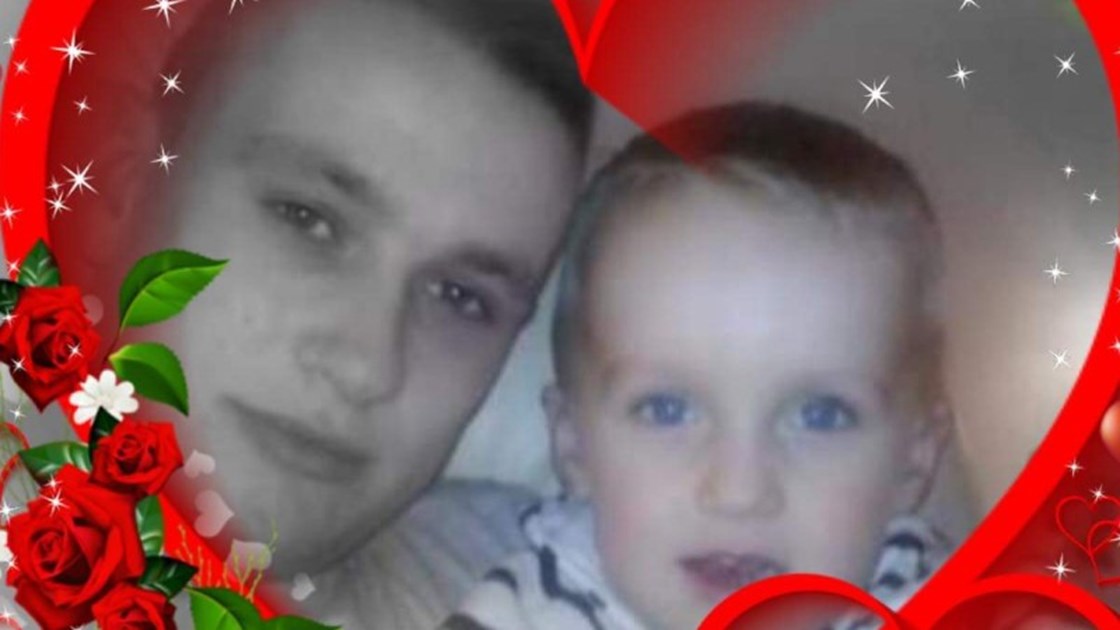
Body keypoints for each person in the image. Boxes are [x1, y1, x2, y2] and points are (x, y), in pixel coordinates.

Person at [50, 0, 591, 625]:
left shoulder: (570, 580)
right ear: (120, 186)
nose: (367, 367)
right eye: (307, 218)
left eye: (460, 297)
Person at [447, 102, 955, 629]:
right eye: (666, 409)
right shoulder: (524, 611)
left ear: (913, 462)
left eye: (821, 415)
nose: (739, 492)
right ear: (574, 446)